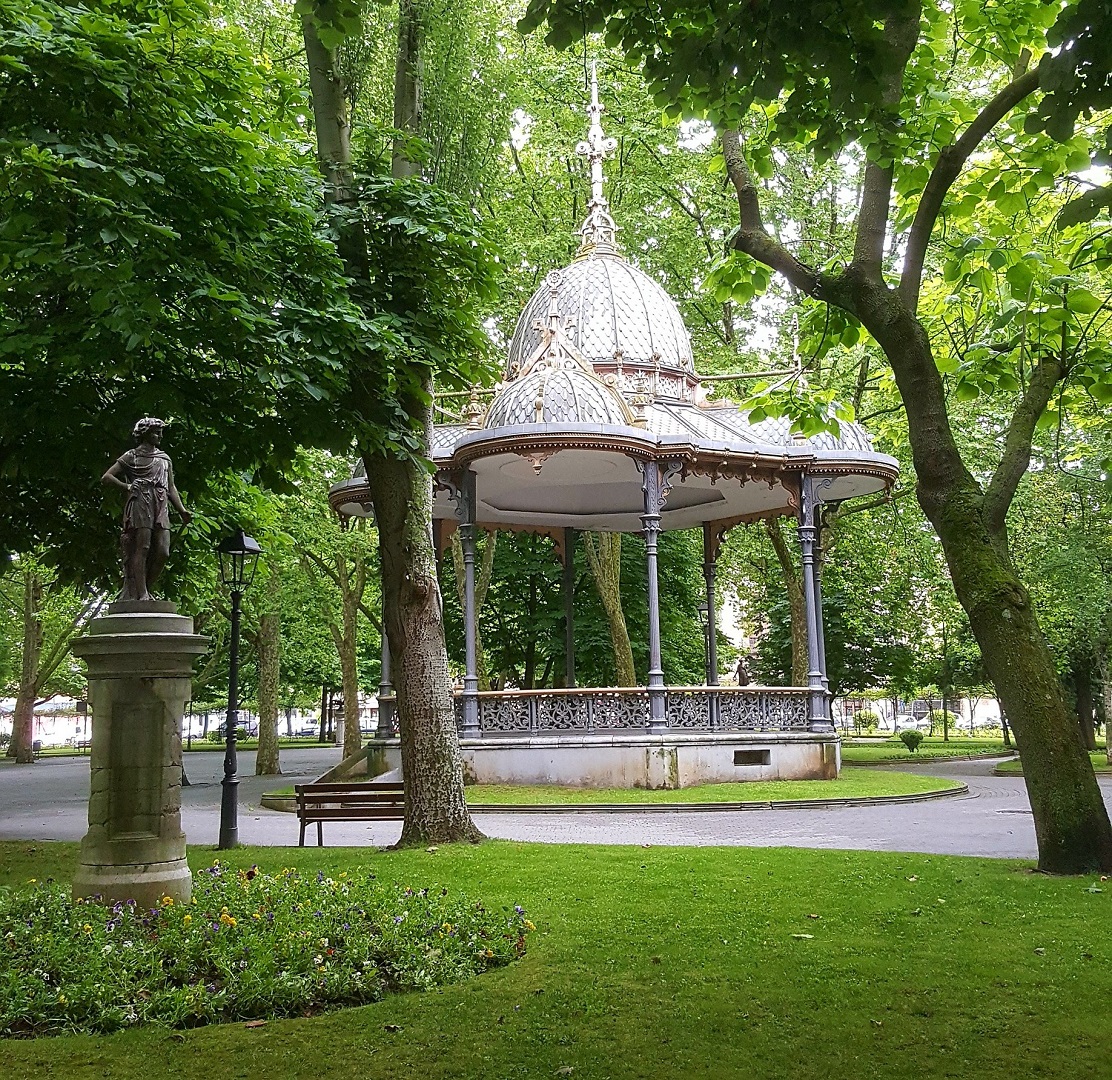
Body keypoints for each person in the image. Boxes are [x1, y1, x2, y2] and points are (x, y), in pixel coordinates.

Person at [102, 418, 191, 601]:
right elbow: (107, 477)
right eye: (155, 432)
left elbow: (171, 487)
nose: (159, 436)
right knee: (142, 547)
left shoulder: (164, 458)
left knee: (163, 551)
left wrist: (181, 510)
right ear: (144, 434)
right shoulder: (131, 456)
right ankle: (141, 594)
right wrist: (126, 487)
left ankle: (145, 589)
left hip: (160, 502)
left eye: (160, 432)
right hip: (141, 501)